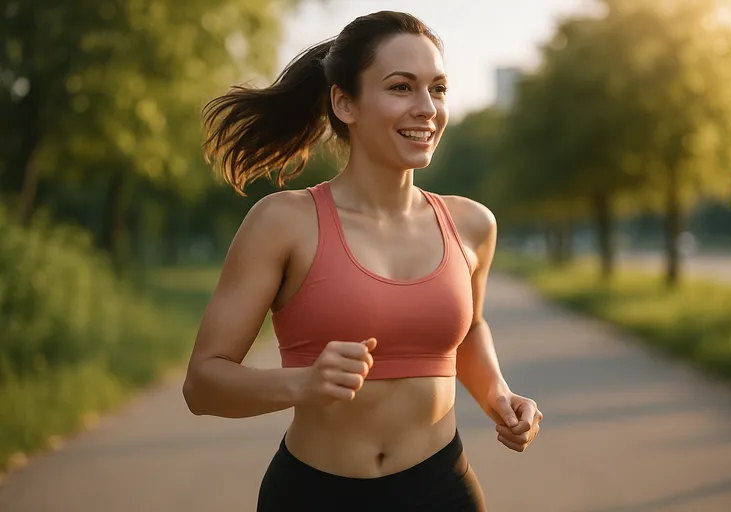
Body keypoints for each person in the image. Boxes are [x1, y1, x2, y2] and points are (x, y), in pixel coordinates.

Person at [182, 10, 543, 512]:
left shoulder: (473, 225)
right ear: (344, 103)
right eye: (401, 88)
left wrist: (499, 397)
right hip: (313, 495)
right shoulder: (284, 221)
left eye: (437, 89)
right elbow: (202, 385)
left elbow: (469, 329)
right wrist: (302, 383)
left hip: (442, 490)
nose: (427, 108)